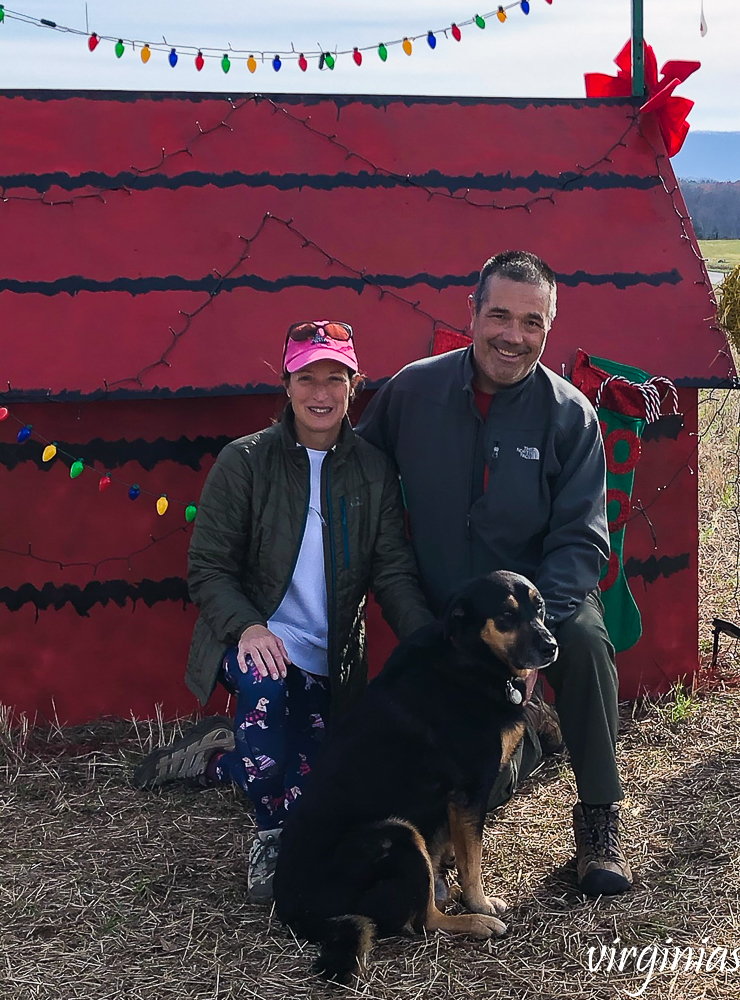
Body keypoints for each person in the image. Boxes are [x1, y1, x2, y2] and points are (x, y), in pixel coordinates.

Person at [356, 250, 632, 896]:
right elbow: (356, 479)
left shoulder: (571, 416)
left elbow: (581, 541)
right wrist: (408, 609)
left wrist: (530, 640)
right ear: (472, 313)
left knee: (589, 642)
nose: (514, 335)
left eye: (532, 322)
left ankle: (599, 821)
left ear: (549, 327)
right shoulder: (411, 392)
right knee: (476, 773)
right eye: (500, 315)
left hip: (540, 614)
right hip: (440, 615)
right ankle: (522, 748)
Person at [133, 320, 434, 902]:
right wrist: (247, 626)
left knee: (314, 781)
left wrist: (429, 645)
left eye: (336, 379)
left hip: (330, 658)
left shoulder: (374, 471)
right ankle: (271, 841)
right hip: (255, 639)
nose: (321, 394)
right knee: (267, 721)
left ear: (354, 385)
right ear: (287, 383)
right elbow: (209, 567)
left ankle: (219, 759)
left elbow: (393, 571)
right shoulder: (244, 461)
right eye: (307, 378)